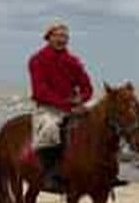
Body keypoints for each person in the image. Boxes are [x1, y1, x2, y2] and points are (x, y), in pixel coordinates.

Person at [28, 22, 126, 193]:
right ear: (48, 38)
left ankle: (109, 171)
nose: (61, 39)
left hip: (72, 106)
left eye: (64, 36)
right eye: (57, 36)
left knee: (104, 122)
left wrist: (82, 100)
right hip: (48, 107)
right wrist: (66, 105)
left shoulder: (73, 61)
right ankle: (50, 173)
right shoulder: (37, 60)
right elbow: (40, 91)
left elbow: (86, 86)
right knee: (50, 129)